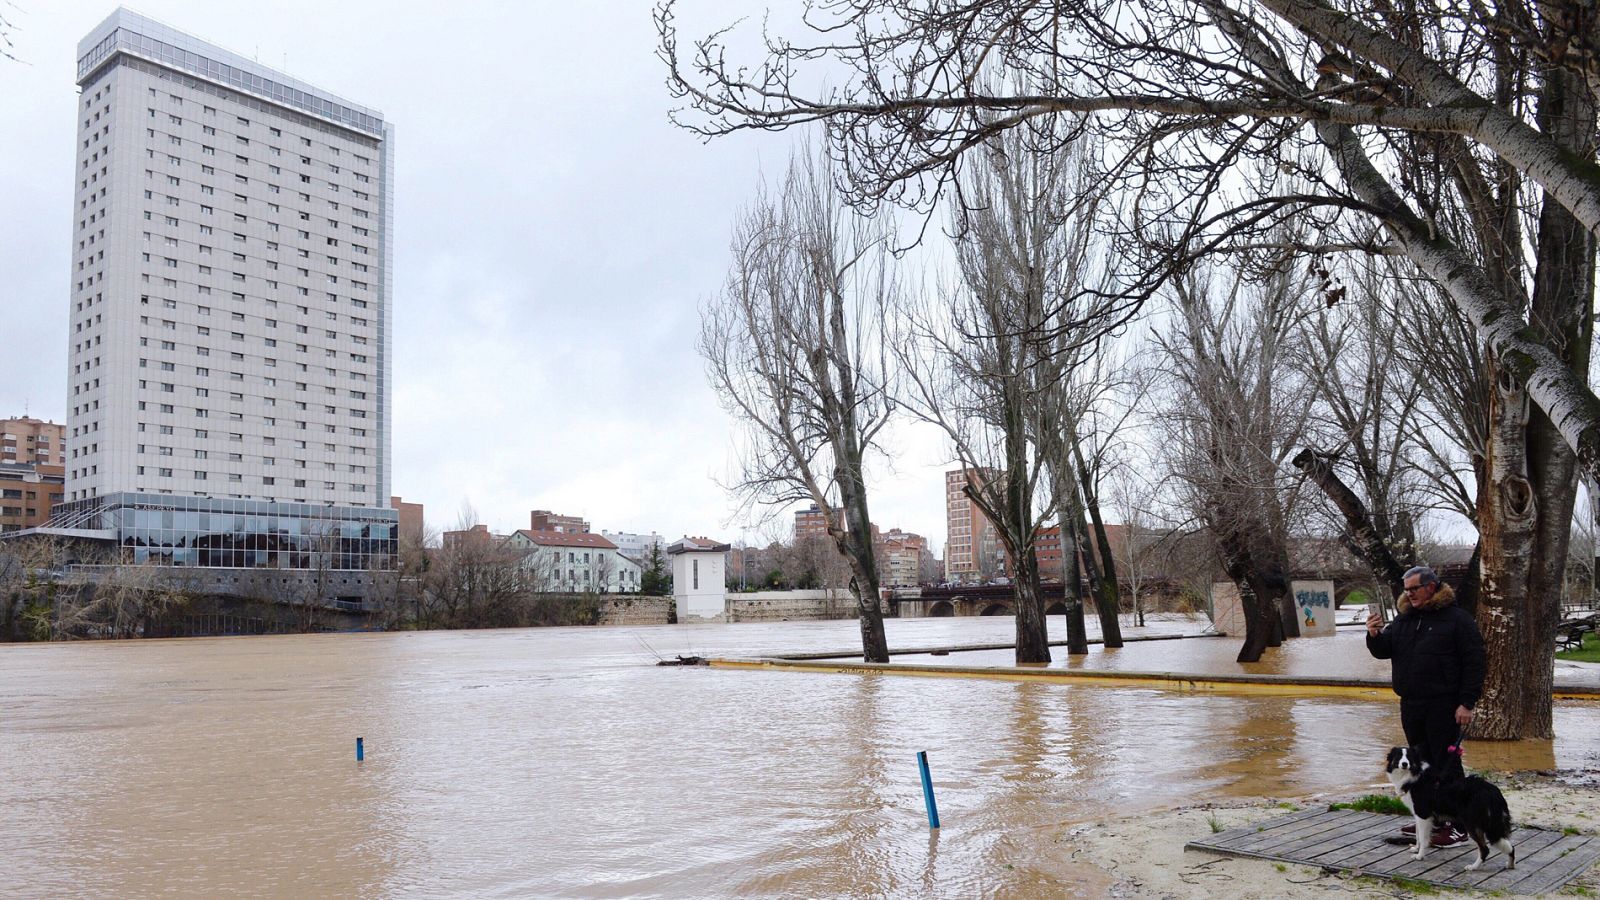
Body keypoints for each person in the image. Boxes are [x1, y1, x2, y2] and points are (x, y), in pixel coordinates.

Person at [1367, 565, 1486, 847]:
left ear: (1431, 587)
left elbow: (1475, 663)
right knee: (1421, 765)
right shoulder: (1405, 619)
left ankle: (1459, 826)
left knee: (1447, 765)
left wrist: (1467, 703)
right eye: (1406, 590)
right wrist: (1374, 635)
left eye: (1414, 589)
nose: (1409, 594)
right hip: (1411, 704)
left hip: (1444, 705)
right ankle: (1431, 818)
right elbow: (1384, 650)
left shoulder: (1457, 620)